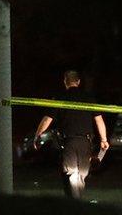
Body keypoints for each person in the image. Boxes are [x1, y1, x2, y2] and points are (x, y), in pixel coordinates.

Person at [34, 70, 109, 199]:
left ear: (65, 82)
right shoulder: (88, 98)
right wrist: (104, 139)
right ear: (78, 82)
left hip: (68, 142)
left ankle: (75, 206)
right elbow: (99, 120)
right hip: (85, 142)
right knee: (81, 175)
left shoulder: (59, 98)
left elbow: (47, 119)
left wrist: (37, 135)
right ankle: (77, 205)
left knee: (71, 174)